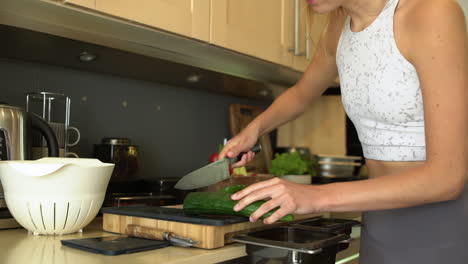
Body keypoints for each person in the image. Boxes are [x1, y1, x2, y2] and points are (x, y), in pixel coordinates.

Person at [218, 0, 468, 263]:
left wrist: (315, 197)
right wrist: (254, 130)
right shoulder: (340, 25)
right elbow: (303, 93)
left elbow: (446, 179)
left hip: (443, 223)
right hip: (379, 218)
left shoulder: (432, 12)